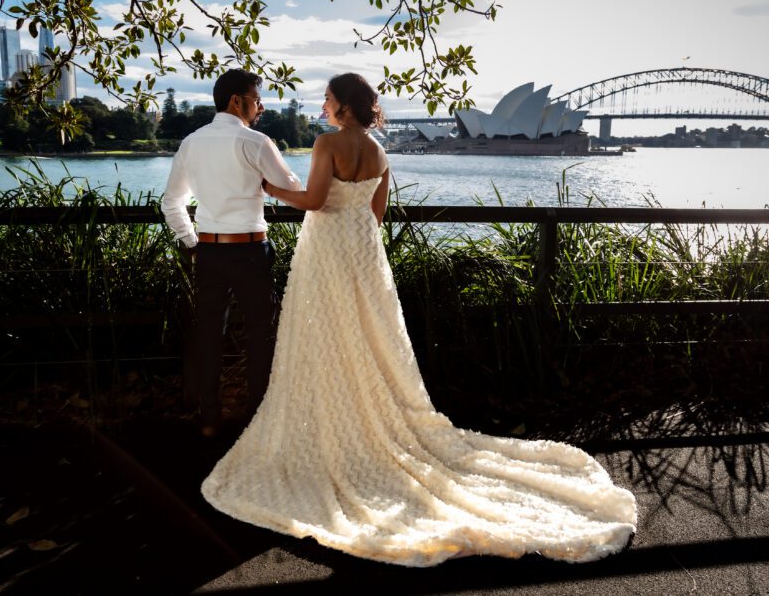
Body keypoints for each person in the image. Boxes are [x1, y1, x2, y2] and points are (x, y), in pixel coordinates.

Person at [201, 73, 637, 567]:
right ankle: (371, 415)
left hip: (326, 253)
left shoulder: (327, 143)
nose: (322, 105)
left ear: (343, 106)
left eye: (327, 98)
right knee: (370, 335)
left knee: (326, 334)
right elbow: (376, 214)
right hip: (364, 252)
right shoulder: (380, 152)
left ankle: (337, 419)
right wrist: (354, 233)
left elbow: (316, 201)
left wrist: (270, 188)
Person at [161, 69, 302, 436]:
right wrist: (265, 183)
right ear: (236, 100)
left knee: (208, 335)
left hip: (208, 251)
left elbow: (172, 203)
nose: (261, 106)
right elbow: (292, 190)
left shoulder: (192, 143)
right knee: (260, 334)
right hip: (251, 251)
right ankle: (258, 419)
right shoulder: (255, 142)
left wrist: (192, 243)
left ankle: (210, 419)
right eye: (256, 99)